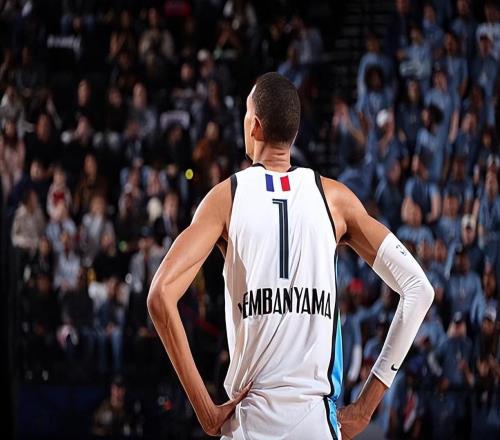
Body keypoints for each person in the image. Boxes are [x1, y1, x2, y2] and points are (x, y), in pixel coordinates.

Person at [147, 73, 434, 439]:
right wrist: (364, 409)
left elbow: (160, 295)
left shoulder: (226, 198)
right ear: (295, 133)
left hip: (249, 425)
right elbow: (418, 289)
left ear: (254, 126)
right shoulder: (335, 199)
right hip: (315, 424)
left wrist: (205, 410)